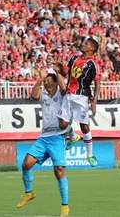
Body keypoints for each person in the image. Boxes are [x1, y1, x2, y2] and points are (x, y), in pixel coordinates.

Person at [16, 68, 70, 217]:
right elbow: (33, 95)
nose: (46, 83)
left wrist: (57, 72)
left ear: (55, 82)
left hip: (58, 137)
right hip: (44, 137)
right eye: (45, 81)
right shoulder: (44, 94)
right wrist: (39, 80)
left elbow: (63, 86)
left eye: (48, 80)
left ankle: (65, 206)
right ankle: (29, 193)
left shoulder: (61, 95)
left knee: (59, 171)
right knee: (26, 164)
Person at [58, 37, 101, 167]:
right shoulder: (73, 58)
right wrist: (59, 66)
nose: (83, 44)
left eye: (86, 43)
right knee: (62, 124)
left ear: (91, 49)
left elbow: (98, 83)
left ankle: (89, 155)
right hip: (68, 94)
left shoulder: (93, 64)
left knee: (84, 126)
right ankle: (72, 136)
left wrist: (94, 101)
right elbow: (66, 72)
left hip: (82, 97)